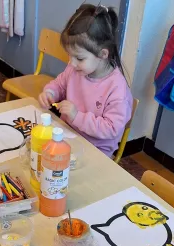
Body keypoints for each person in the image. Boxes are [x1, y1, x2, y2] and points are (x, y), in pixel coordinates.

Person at [38, 4, 133, 158]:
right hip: (67, 135)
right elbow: (60, 84)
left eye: (79, 58)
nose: (72, 63)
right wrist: (50, 93)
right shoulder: (75, 69)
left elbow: (111, 128)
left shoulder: (117, 88)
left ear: (103, 54)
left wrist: (77, 116)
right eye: (70, 56)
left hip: (96, 151)